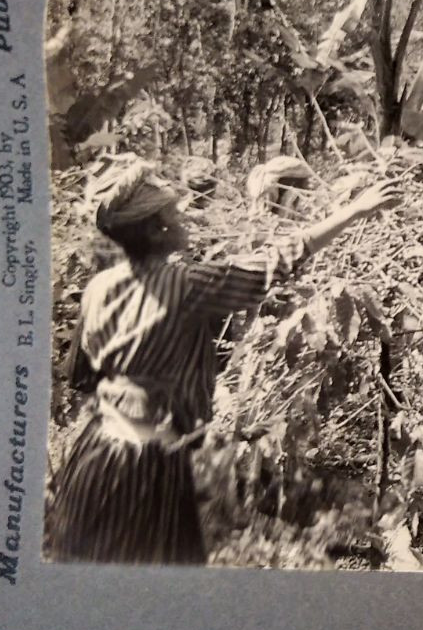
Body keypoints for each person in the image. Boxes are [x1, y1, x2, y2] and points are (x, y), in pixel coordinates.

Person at [46, 155, 398, 564]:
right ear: (156, 229)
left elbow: (82, 377)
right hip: (146, 467)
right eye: (173, 214)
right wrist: (355, 210)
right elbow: (276, 262)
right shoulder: (186, 286)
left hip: (94, 456)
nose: (184, 220)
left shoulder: (98, 288)